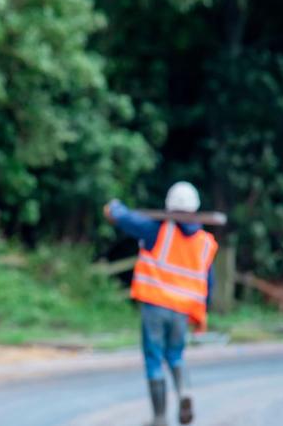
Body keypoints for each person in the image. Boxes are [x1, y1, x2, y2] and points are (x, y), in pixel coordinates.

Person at [104, 181, 218, 426]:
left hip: (155, 304)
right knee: (176, 355)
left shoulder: (158, 230)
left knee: (154, 358)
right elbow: (209, 282)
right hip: (183, 310)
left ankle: (159, 418)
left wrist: (114, 207)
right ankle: (184, 392)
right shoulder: (205, 242)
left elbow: (126, 219)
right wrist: (202, 313)